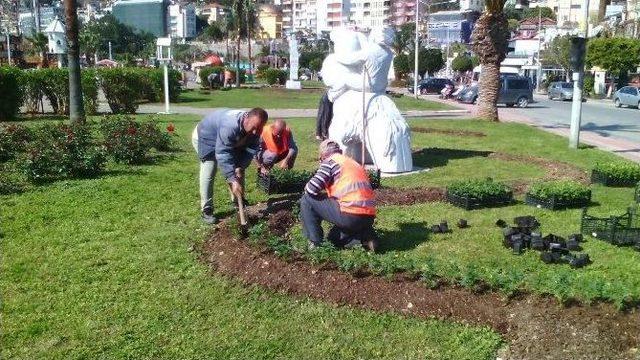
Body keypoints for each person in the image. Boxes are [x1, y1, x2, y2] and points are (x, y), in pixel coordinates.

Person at [191, 107, 268, 224]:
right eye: (253, 128)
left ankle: (237, 200)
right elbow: (223, 154)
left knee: (238, 170)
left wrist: (239, 167)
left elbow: (250, 151)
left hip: (229, 141)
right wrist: (232, 179)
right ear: (246, 118)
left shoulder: (255, 129)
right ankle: (207, 210)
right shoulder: (230, 126)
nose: (254, 132)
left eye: (258, 129)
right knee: (210, 168)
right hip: (206, 137)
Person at [300, 140, 377, 251]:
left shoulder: (330, 162)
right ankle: (364, 238)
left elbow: (311, 189)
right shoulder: (353, 163)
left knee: (307, 199)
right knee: (333, 238)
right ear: (340, 151)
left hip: (350, 214)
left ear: (323, 155)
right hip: (368, 216)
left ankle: (315, 243)